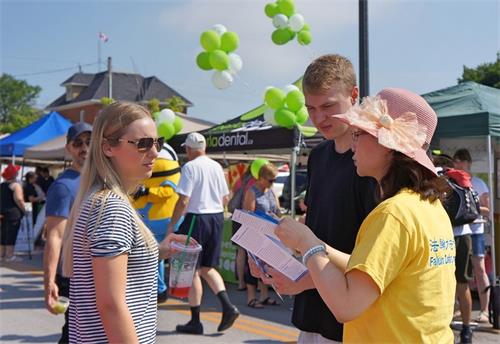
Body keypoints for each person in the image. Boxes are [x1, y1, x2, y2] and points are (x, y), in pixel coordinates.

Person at [273, 88, 456, 342]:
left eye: (359, 134)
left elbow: (346, 306)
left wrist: (307, 243)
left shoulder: (394, 214)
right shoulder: (428, 207)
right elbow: (371, 268)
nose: (353, 144)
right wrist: (313, 244)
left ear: (388, 146)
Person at [252, 54, 377, 343]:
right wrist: (275, 250)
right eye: (311, 108)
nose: (318, 118)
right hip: (313, 312)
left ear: (354, 94)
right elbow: (317, 228)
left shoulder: (375, 161)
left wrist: (303, 279)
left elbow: (375, 261)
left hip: (354, 318)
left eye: (328, 107)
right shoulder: (319, 156)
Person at [61, 101, 191, 343]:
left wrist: (158, 251)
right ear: (107, 147)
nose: (154, 152)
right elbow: (110, 305)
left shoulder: (101, 199)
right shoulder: (110, 207)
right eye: (143, 144)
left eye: (157, 143)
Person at [166, 132, 240, 335]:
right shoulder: (216, 166)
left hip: (196, 219)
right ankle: (227, 306)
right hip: (216, 217)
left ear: (189, 149)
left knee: (193, 270)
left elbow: (183, 200)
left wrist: (173, 224)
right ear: (204, 148)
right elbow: (226, 198)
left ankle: (196, 320)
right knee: (208, 267)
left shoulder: (190, 167)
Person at [43, 121, 92, 343]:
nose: (84, 148)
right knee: (76, 333)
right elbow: (54, 236)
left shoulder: (99, 180)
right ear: (69, 148)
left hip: (98, 270)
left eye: (89, 142)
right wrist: (49, 282)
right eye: (78, 143)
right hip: (75, 274)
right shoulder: (63, 187)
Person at [133, 142, 181, 303]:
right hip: (146, 221)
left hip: (161, 221)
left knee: (155, 256)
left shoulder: (169, 175)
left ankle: (159, 288)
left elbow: (168, 192)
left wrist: (147, 191)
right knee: (153, 256)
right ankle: (155, 287)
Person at [454, 149, 491, 330]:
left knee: (479, 269)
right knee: (459, 273)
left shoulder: (478, 183)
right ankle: (459, 307)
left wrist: (471, 207)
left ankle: (484, 310)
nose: (458, 165)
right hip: (458, 233)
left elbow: (487, 209)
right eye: (456, 161)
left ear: (468, 163)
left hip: (475, 231)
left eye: (461, 161)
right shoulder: (452, 182)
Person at [242, 161, 281, 308]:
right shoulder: (252, 192)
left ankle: (264, 296)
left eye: (274, 180)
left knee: (265, 267)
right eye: (271, 180)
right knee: (253, 266)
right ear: (261, 178)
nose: (272, 184)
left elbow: (277, 210)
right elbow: (248, 215)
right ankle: (251, 297)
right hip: (255, 234)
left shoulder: (270, 191)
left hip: (269, 235)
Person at [0, 164, 26, 262]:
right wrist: (24, 210)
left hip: (2, 212)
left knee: (3, 233)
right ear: (14, 174)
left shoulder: (2, 185)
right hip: (13, 213)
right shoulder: (15, 185)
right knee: (11, 233)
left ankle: (2, 254)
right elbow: (19, 199)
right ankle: (9, 255)